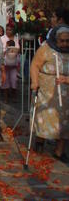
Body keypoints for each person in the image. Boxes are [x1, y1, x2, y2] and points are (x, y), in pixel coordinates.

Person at [30, 25, 69, 161]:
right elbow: (35, 65)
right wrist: (35, 82)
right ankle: (40, 141)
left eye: (67, 41)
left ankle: (59, 151)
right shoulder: (46, 48)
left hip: (66, 92)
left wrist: (67, 79)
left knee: (65, 121)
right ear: (56, 39)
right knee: (44, 115)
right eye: (62, 41)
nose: (64, 44)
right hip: (47, 88)